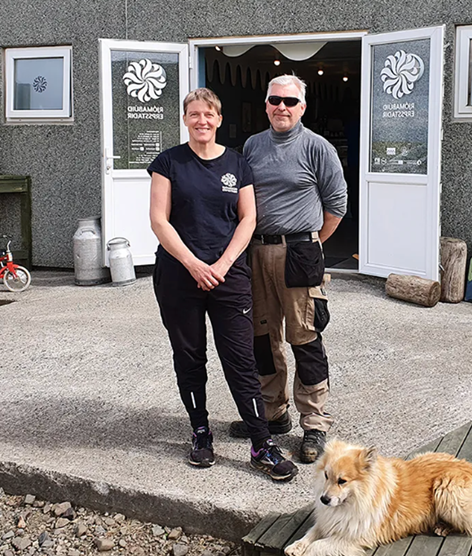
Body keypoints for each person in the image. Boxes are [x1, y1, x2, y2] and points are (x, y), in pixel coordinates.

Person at [148, 87, 297, 482]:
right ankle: (201, 432)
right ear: (185, 119)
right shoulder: (168, 163)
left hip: (229, 277)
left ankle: (261, 443)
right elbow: (159, 221)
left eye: (208, 114)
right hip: (180, 275)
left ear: (218, 118)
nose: (202, 121)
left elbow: (248, 218)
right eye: (194, 114)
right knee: (190, 357)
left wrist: (224, 263)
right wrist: (194, 264)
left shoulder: (236, 163)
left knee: (242, 360)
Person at [228, 74, 347, 463]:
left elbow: (336, 206)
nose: (282, 107)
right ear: (265, 105)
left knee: (305, 337)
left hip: (300, 252)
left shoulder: (318, 148)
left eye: (290, 102)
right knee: (261, 336)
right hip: (257, 252)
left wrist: (311, 245)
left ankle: (313, 423)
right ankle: (273, 412)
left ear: (303, 108)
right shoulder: (253, 146)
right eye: (275, 100)